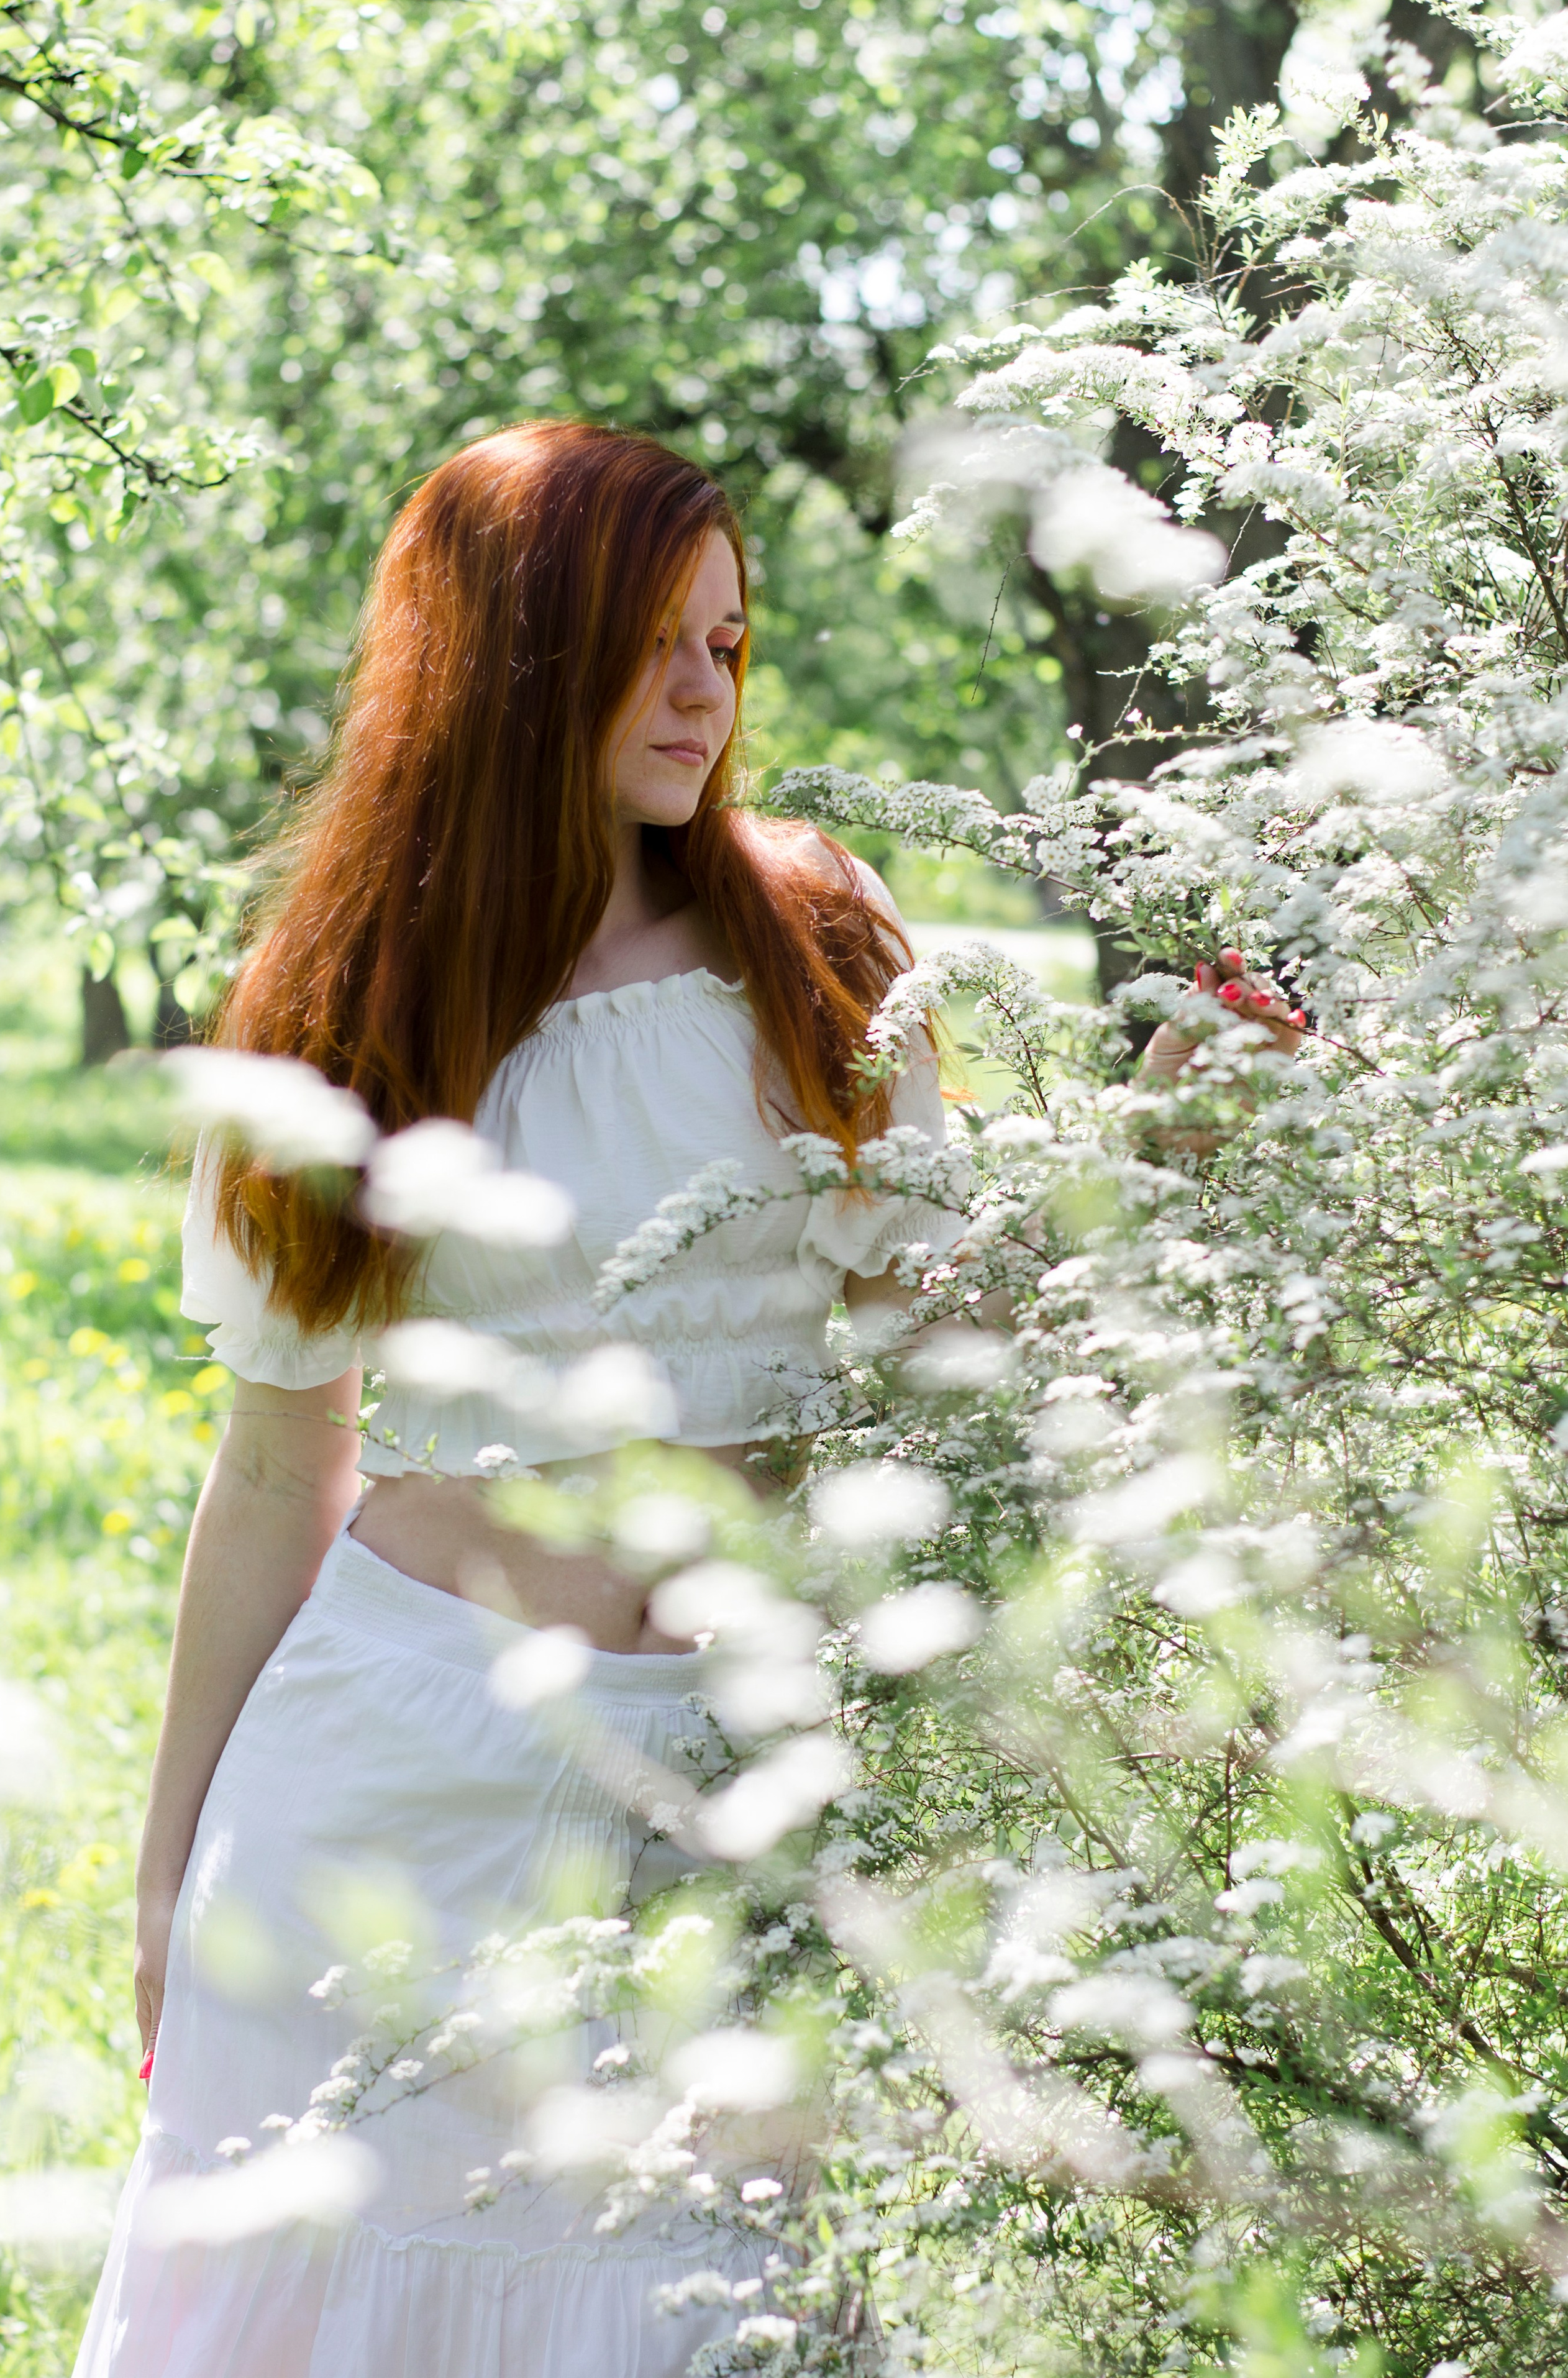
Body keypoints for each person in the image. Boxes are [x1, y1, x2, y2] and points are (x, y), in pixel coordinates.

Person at [75, 421, 1302, 2377]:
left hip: (720, 1794)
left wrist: (1161, 1138)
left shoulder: (812, 936)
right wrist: (166, 1881)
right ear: (515, 655)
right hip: (387, 1791)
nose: (704, 693)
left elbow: (952, 1359)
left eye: (728, 644)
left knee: (697, 2315)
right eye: (654, 642)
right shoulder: (351, 1003)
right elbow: (277, 1459)